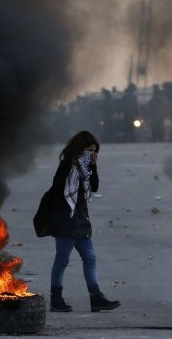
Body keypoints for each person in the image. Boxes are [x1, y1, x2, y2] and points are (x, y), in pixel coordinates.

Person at [48, 130, 120, 312]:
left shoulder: (86, 168)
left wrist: (93, 167)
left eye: (94, 152)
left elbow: (94, 187)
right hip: (66, 221)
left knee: (90, 258)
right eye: (88, 151)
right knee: (62, 260)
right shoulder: (66, 166)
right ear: (79, 149)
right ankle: (56, 299)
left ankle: (96, 297)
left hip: (81, 219)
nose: (91, 155)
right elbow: (57, 191)